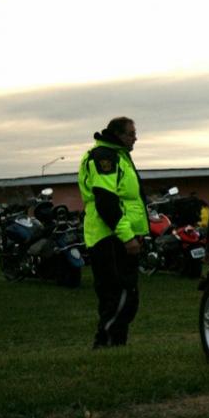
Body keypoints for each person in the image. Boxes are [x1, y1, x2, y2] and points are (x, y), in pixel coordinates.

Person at [78, 117, 148, 349]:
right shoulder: (105, 157)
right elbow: (106, 201)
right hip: (110, 236)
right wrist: (127, 236)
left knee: (123, 295)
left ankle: (115, 344)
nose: (135, 138)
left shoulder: (118, 155)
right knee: (118, 294)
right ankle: (106, 344)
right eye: (131, 133)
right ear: (118, 134)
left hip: (116, 235)